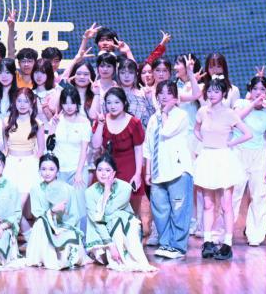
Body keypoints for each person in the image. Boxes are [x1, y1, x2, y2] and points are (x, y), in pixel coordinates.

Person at [193, 76, 252, 261]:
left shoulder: (229, 113)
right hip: (207, 157)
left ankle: (227, 243)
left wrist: (230, 143)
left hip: (224, 158)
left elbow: (248, 133)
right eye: (209, 91)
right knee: (208, 204)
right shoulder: (202, 111)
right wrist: (205, 142)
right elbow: (196, 129)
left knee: (226, 204)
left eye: (216, 91)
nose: (212, 94)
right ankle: (208, 241)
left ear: (224, 93)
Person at [145, 80, 194, 260]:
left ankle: (177, 246)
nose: (164, 96)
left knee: (179, 210)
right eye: (161, 93)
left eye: (169, 93)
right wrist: (148, 171)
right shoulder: (153, 118)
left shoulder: (180, 115)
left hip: (178, 171)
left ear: (175, 97)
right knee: (160, 210)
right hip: (158, 172)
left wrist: (165, 112)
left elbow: (166, 131)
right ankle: (165, 243)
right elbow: (148, 146)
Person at [84, 155, 158, 273]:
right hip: (101, 232)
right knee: (113, 220)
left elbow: (108, 211)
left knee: (119, 219)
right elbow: (97, 221)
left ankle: (129, 257)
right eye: (100, 170)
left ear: (114, 172)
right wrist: (111, 245)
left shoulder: (125, 187)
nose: (103, 174)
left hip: (123, 227)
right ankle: (115, 255)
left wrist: (107, 189)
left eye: (107, 170)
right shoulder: (90, 192)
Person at [91, 88, 147, 228]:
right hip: (108, 167)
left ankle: (133, 234)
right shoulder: (102, 120)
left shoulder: (134, 122)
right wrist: (101, 124)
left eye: (116, 102)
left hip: (129, 166)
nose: (113, 106)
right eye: (109, 102)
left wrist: (137, 174)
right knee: (105, 205)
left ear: (124, 103)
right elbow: (96, 145)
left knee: (131, 208)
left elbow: (138, 149)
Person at [232, 75, 266, 247]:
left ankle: (256, 235)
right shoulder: (241, 104)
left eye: (262, 90)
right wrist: (252, 104)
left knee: (259, 195)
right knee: (233, 194)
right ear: (250, 91)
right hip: (238, 153)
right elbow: (234, 120)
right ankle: (223, 234)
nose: (259, 92)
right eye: (255, 89)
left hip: (259, 156)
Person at [25, 153, 85, 270]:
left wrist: (61, 230)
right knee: (40, 223)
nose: (47, 173)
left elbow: (74, 216)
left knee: (69, 242)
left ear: (57, 171)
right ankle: (44, 257)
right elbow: (37, 213)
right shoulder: (35, 189)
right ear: (39, 171)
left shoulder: (69, 189)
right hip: (45, 226)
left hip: (64, 227)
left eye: (51, 169)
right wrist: (52, 211)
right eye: (43, 169)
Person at [45, 86, 91, 223]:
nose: (69, 107)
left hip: (78, 169)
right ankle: (61, 232)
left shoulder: (84, 122)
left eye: (72, 102)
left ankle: (81, 234)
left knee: (79, 205)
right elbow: (50, 145)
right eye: (65, 103)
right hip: (59, 170)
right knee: (60, 205)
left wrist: (79, 172)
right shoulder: (57, 119)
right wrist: (53, 126)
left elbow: (84, 150)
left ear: (77, 103)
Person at [0, 87, 41, 204]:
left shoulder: (37, 123)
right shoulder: (6, 122)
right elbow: (5, 147)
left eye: (26, 101)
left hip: (29, 164)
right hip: (10, 164)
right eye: (19, 101)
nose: (22, 104)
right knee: (9, 201)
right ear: (15, 101)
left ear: (32, 102)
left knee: (20, 205)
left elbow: (41, 149)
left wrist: (34, 162)